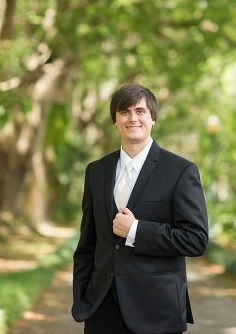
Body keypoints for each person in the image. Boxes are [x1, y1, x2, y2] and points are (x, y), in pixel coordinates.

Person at [71, 84, 209, 333]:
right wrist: (82, 295)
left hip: (156, 310)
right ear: (115, 119)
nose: (132, 118)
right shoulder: (96, 171)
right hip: (102, 308)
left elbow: (196, 239)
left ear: (152, 118)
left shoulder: (180, 171)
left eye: (140, 111)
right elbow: (87, 245)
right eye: (124, 112)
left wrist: (136, 230)